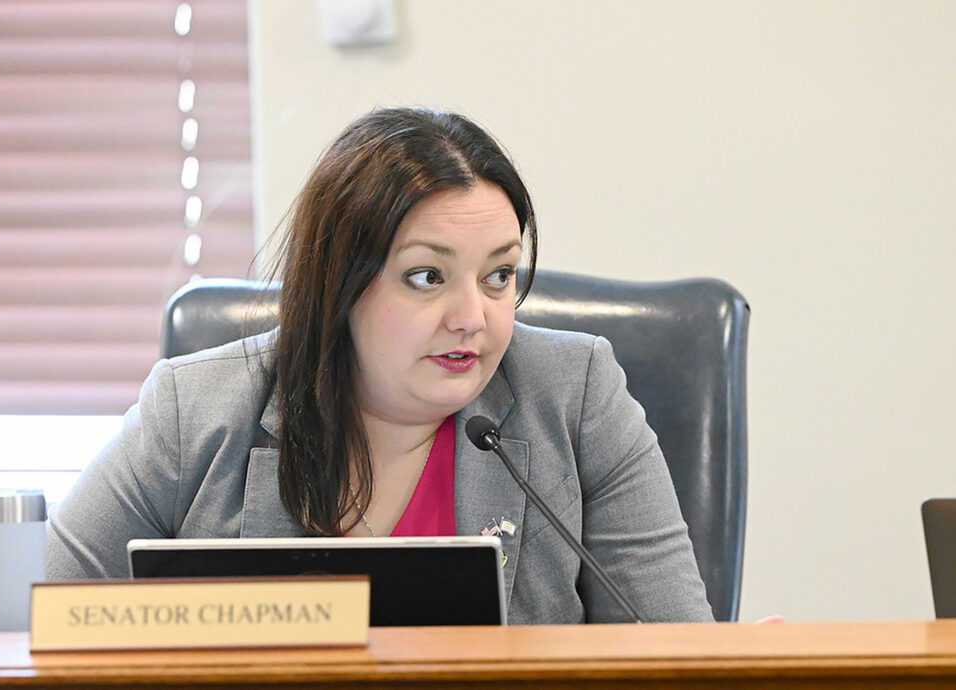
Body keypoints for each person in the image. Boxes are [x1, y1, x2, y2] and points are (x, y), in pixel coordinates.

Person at [46, 106, 713, 624]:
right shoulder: (193, 412)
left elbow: (675, 650)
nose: (472, 317)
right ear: (339, 284)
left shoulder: (576, 397)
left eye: (499, 275)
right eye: (427, 276)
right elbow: (42, 624)